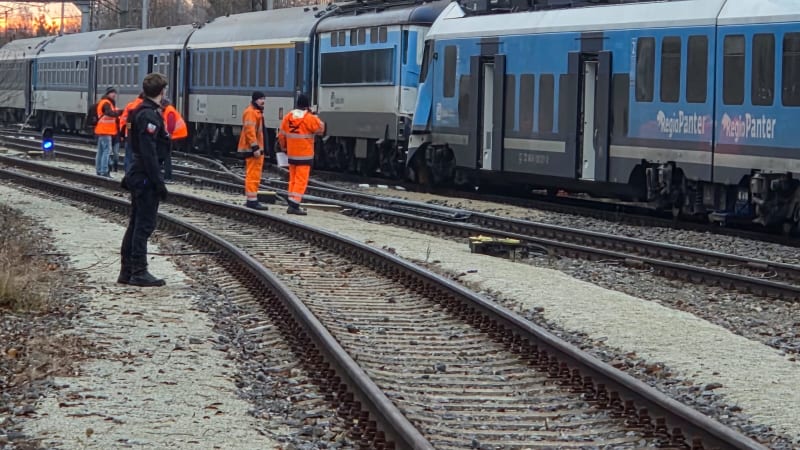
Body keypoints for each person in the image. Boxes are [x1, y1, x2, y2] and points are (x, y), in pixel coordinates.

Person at [118, 73, 170, 287]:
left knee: (135, 224)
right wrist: (159, 182)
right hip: (145, 175)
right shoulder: (148, 115)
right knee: (143, 226)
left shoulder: (139, 111)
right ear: (161, 91)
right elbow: (148, 152)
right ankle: (139, 271)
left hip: (137, 172)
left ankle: (127, 271)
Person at [277, 94, 325, 215]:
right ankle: (294, 204)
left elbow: (281, 136)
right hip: (305, 154)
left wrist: (284, 148)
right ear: (307, 105)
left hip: (292, 154)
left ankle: (291, 201)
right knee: (301, 180)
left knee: (292, 179)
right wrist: (315, 116)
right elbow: (321, 129)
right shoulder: (309, 118)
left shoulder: (288, 117)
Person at [238, 91, 268, 210]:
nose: (263, 101)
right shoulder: (251, 112)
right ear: (255, 100)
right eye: (261, 99)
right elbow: (250, 131)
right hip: (253, 149)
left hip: (256, 148)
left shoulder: (256, 112)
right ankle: (252, 201)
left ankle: (252, 199)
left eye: (264, 98)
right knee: (253, 175)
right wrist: (255, 147)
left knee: (254, 174)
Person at [94, 86, 121, 177]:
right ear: (108, 94)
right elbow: (109, 113)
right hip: (106, 130)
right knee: (107, 151)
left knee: (101, 151)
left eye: (115, 93)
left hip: (102, 130)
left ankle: (99, 170)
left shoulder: (103, 102)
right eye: (112, 93)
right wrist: (121, 112)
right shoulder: (106, 103)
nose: (114, 94)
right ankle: (104, 171)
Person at [161, 97, 188, 183]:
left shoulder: (169, 111)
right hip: (173, 136)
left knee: (166, 157)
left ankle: (167, 177)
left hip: (174, 135)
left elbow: (171, 125)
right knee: (166, 157)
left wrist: (169, 134)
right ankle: (166, 176)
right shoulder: (168, 110)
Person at [119, 93, 144, 174]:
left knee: (128, 156)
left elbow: (125, 121)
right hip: (138, 136)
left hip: (128, 135)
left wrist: (125, 132)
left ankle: (128, 173)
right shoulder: (143, 106)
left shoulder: (130, 105)